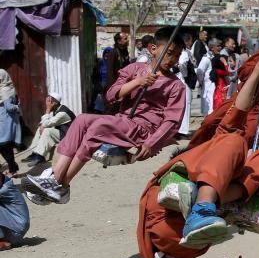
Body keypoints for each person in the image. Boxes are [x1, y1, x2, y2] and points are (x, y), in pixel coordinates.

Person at [135, 39, 259, 258]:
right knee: (233, 140)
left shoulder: (186, 253)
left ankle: (212, 202)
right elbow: (238, 110)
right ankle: (205, 205)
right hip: (166, 221)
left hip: (187, 238)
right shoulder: (199, 154)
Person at [24, 27, 186, 204]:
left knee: (99, 126)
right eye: (170, 53)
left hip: (142, 130)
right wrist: (138, 82)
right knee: (81, 119)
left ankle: (61, 183)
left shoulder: (176, 86)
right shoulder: (135, 69)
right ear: (153, 48)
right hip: (123, 121)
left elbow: (172, 121)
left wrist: (151, 143)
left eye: (177, 55)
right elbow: (111, 95)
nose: (173, 59)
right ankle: (56, 179)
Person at [24, 92, 75, 166]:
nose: (47, 103)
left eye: (48, 101)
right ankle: (35, 153)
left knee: (47, 131)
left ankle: (40, 156)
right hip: (62, 133)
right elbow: (44, 122)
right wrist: (42, 125)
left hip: (69, 136)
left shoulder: (62, 113)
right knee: (40, 129)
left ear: (53, 103)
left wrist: (47, 110)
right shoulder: (57, 109)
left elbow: (47, 123)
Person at [101, 32, 131, 111]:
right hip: (115, 86)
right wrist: (113, 90)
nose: (127, 41)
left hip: (123, 85)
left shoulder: (125, 52)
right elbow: (110, 73)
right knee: (113, 110)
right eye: (125, 39)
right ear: (119, 41)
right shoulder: (113, 53)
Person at [0, 69, 22, 176]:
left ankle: (13, 169)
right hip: (5, 121)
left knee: (4, 146)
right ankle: (13, 169)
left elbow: (9, 107)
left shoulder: (5, 90)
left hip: (5, 123)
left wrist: (17, 107)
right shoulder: (8, 88)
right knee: (6, 147)